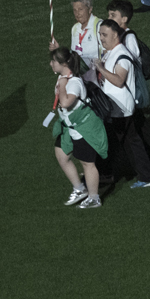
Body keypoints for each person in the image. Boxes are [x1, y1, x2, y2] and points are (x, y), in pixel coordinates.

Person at [105, 0, 150, 177]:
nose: (109, 18)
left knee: (137, 132)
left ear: (124, 19)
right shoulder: (119, 36)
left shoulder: (128, 38)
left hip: (129, 94)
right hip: (126, 94)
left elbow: (131, 65)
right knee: (140, 130)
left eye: (113, 15)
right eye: (109, 14)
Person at [94, 19, 150, 190]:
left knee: (125, 143)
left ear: (115, 35)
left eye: (104, 34)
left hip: (121, 109)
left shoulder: (121, 55)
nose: (101, 38)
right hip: (116, 108)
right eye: (100, 34)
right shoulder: (111, 52)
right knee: (130, 142)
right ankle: (147, 173)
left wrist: (101, 69)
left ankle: (105, 174)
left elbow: (118, 80)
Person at [49, 47, 107, 208]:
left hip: (82, 129)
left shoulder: (73, 82)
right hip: (69, 127)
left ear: (64, 63)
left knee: (87, 164)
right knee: (61, 155)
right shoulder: (64, 77)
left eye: (54, 61)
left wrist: (61, 85)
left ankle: (94, 198)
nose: (51, 64)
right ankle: (80, 189)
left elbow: (66, 102)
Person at [49, 0, 102, 84]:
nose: (77, 14)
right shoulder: (75, 28)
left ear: (90, 9)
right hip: (80, 76)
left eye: (80, 9)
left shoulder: (99, 26)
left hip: (96, 78)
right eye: (74, 10)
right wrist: (59, 50)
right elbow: (74, 54)